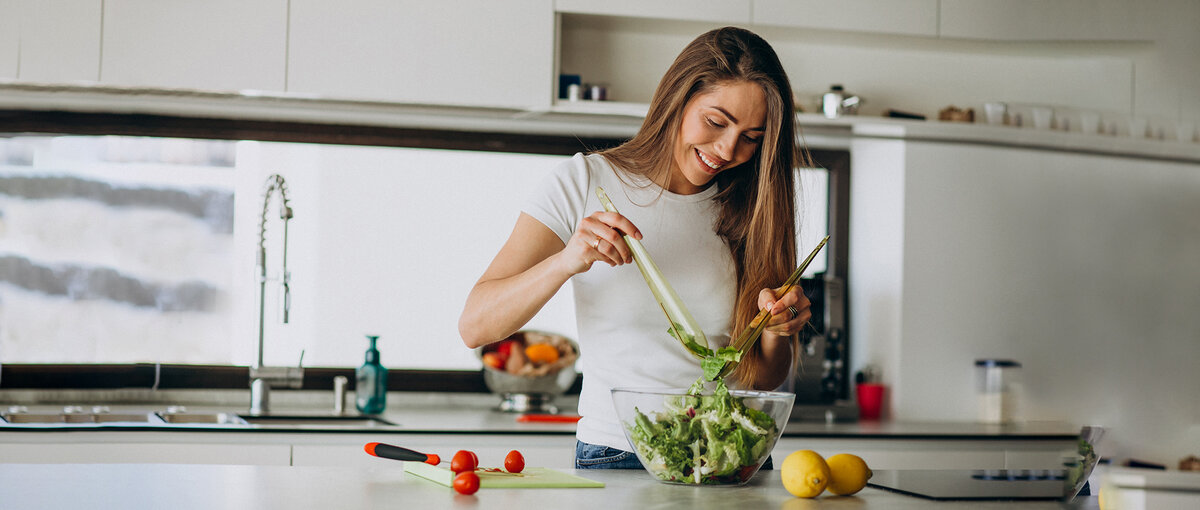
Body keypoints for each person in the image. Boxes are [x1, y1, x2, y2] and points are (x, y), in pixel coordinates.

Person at [458, 27, 813, 469]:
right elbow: (476, 325)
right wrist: (567, 261)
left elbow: (762, 378)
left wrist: (777, 331)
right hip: (619, 452)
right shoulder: (584, 183)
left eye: (751, 137)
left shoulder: (754, 208)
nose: (727, 149)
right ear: (677, 99)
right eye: (716, 122)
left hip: (733, 455)